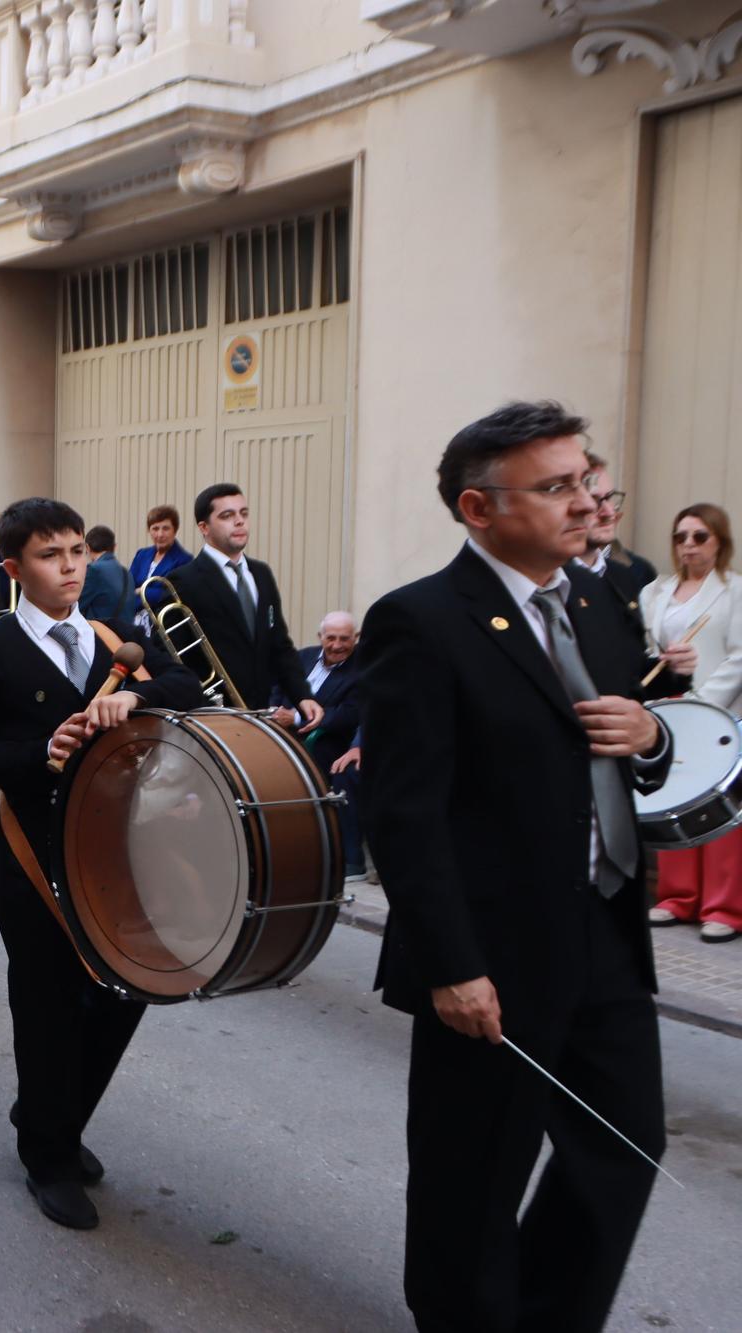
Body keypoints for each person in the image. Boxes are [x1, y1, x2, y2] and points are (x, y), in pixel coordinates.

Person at [363, 401, 677, 1332]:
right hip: (488, 952)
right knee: (474, 1172)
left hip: (606, 928)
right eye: (556, 487)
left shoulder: (601, 602)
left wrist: (651, 731)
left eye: (585, 479)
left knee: (624, 1146)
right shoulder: (422, 621)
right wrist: (453, 965)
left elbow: (639, 744)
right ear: (479, 508)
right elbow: (403, 813)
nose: (586, 502)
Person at [0, 498, 202, 1231]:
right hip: (32, 847)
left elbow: (188, 686)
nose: (72, 567)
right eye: (53, 556)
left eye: (78, 551)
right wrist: (36, 753)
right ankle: (47, 1154)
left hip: (116, 843)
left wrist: (137, 695)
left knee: (126, 986)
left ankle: (57, 1112)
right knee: (48, 999)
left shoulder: (113, 637)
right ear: (17, 569)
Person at [642, 502, 742, 942]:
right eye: (681, 536)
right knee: (675, 798)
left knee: (719, 806)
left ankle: (723, 906)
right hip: (669, 708)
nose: (688, 545)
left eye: (699, 536)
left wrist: (702, 700)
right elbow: (646, 648)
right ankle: (677, 896)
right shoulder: (655, 592)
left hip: (719, 711)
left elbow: (741, 655)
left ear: (719, 541)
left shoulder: (735, 590)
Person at [163, 485, 323, 726]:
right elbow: (171, 654)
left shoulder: (261, 573)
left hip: (259, 714)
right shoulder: (182, 581)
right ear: (203, 528)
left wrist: (302, 695)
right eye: (227, 516)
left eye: (243, 513)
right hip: (211, 717)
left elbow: (279, 644)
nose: (239, 522)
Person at [273, 612, 364, 877]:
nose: (337, 645)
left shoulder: (363, 667)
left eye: (345, 639)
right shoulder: (303, 656)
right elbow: (280, 685)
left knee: (331, 766)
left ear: (355, 638)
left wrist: (297, 717)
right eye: (331, 638)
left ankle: (345, 857)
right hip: (284, 730)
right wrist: (275, 710)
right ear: (320, 638)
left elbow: (350, 713)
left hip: (333, 739)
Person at [574, 453, 659, 618]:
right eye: (594, 500)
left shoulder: (629, 576)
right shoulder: (547, 579)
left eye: (610, 498)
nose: (609, 512)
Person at [126, 504, 190, 606]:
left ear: (175, 530)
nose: (160, 534)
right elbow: (128, 588)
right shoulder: (141, 554)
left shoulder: (185, 560)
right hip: (132, 615)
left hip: (161, 619)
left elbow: (174, 595)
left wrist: (141, 591)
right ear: (149, 530)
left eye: (166, 528)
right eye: (155, 529)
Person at [77, 525, 129, 621]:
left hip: (100, 632)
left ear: (87, 547)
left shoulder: (93, 570)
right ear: (114, 546)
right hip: (125, 633)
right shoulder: (126, 572)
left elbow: (76, 606)